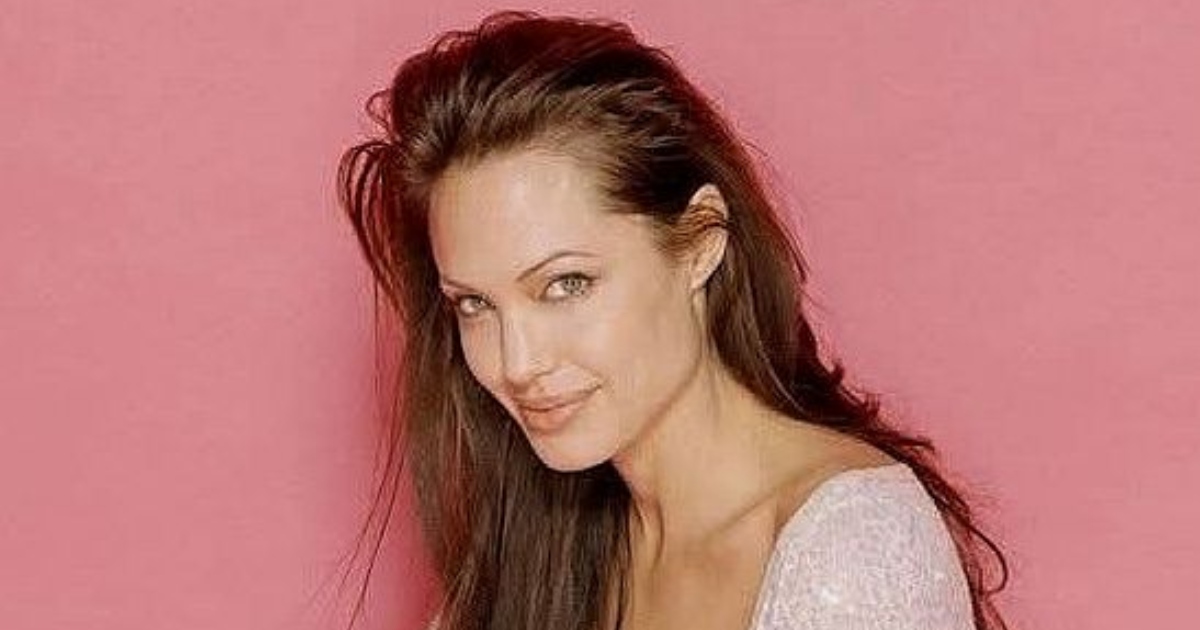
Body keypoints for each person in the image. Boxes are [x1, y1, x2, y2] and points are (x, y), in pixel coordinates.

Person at [336, 10, 1009, 630]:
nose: (518, 363)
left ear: (700, 243)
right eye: (475, 305)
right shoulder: (542, 544)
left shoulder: (849, 556)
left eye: (566, 285)